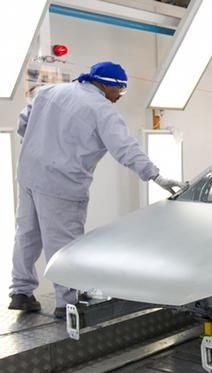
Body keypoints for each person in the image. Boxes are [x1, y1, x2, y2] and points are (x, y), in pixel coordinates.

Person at [9, 61, 185, 318]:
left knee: (27, 234)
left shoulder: (49, 92)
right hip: (62, 184)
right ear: (107, 85)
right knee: (64, 244)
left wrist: (41, 148)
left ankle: (21, 292)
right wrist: (156, 176)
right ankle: (66, 302)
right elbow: (125, 148)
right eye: (120, 92)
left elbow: (22, 124)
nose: (119, 98)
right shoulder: (100, 109)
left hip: (29, 175)